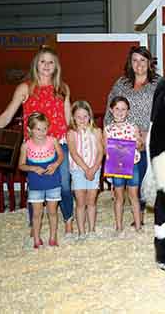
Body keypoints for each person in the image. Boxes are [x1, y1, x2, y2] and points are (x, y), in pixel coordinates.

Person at [0, 45, 74, 237]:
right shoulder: (25, 87)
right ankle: (33, 225)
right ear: (36, 64)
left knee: (64, 184)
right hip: (34, 146)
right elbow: (8, 114)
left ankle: (68, 219)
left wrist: (81, 137)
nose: (46, 65)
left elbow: (68, 119)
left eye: (50, 62)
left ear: (56, 66)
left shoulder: (63, 88)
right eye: (42, 61)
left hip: (59, 142)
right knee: (35, 185)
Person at [104, 46, 160, 225]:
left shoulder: (158, 83)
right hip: (123, 139)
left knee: (149, 174)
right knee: (132, 177)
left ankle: (155, 211)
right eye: (135, 60)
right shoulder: (121, 83)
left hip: (151, 134)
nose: (139, 64)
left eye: (143, 60)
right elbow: (110, 107)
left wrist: (148, 133)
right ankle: (139, 215)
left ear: (149, 63)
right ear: (130, 63)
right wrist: (109, 133)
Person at [18, 112, 64, 248]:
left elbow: (61, 155)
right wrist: (32, 168)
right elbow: (21, 165)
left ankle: (53, 237)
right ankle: (36, 239)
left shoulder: (53, 140)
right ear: (29, 130)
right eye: (38, 129)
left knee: (52, 212)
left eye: (44, 129)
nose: (42, 132)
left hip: (53, 181)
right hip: (36, 183)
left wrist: (55, 164)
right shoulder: (26, 146)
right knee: (37, 213)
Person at [104, 96, 144, 234]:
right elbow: (105, 149)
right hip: (117, 166)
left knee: (134, 196)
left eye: (123, 109)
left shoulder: (133, 127)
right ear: (111, 110)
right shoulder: (108, 129)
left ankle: (138, 226)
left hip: (132, 164)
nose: (120, 112)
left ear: (128, 111)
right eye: (117, 109)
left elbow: (139, 144)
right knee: (119, 196)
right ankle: (119, 226)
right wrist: (113, 151)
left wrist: (138, 143)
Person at [67, 100, 104, 239]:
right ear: (73, 118)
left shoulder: (96, 131)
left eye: (85, 116)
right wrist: (86, 169)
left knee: (91, 201)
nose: (82, 120)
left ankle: (92, 230)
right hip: (78, 170)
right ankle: (81, 231)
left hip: (94, 169)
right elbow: (74, 153)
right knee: (80, 202)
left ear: (90, 116)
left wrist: (93, 169)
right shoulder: (71, 133)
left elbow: (101, 152)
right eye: (78, 117)